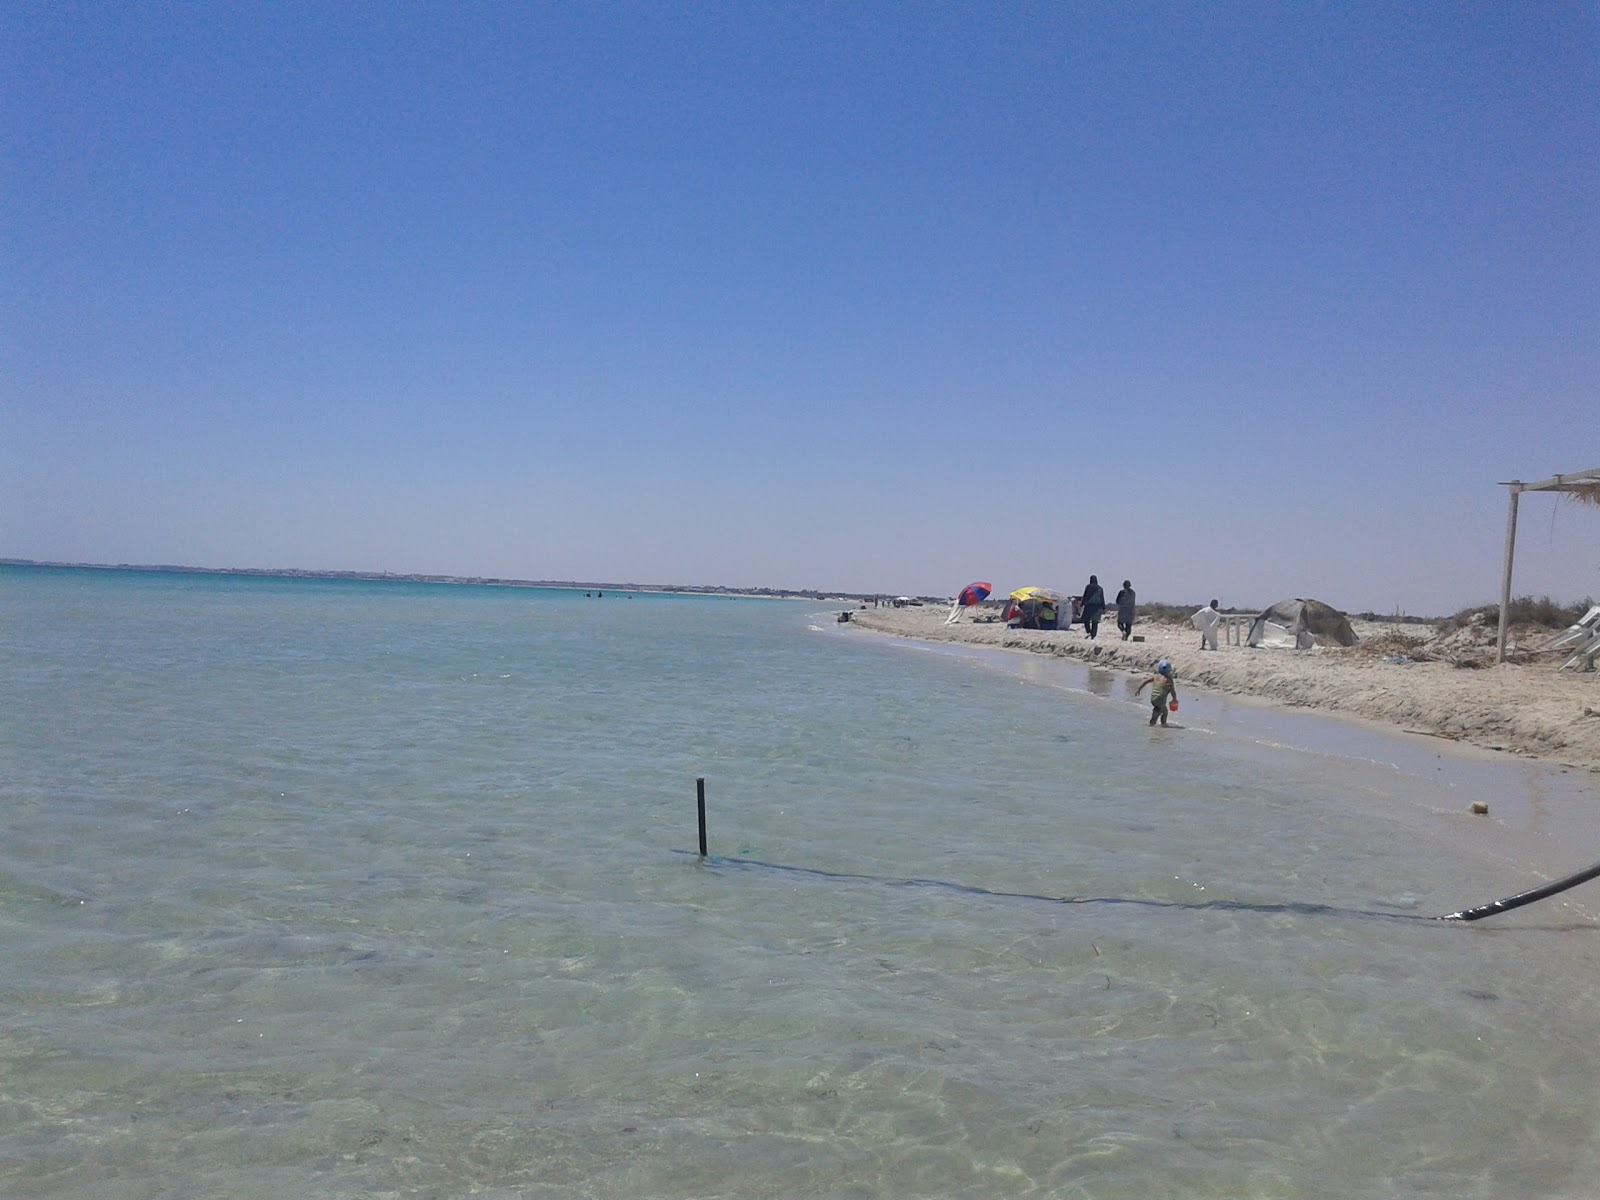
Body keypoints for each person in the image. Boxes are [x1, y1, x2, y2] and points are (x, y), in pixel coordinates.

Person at [1134, 658, 1178, 727]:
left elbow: (1145, 681)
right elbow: (1173, 691)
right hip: (1161, 700)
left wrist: (1139, 689)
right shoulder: (1169, 680)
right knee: (1160, 712)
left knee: (1164, 711)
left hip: (1153, 699)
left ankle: (1160, 723)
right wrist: (1174, 699)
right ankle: (1158, 723)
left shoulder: (1156, 676)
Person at [1080, 575, 1106, 639]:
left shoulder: (1088, 587)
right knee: (1095, 622)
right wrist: (1103, 606)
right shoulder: (1100, 588)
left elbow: (1085, 595)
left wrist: (1082, 603)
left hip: (1089, 606)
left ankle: (1088, 631)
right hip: (1097, 607)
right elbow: (1102, 598)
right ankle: (1093, 635)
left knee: (1086, 619)